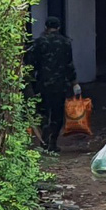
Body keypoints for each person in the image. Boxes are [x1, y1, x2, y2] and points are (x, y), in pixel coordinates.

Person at [24, 17, 77, 151]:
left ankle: (44, 139)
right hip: (60, 84)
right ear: (59, 27)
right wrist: (74, 82)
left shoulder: (39, 43)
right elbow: (69, 65)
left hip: (43, 83)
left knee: (43, 112)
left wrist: (29, 81)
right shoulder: (65, 42)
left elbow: (30, 63)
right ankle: (53, 142)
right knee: (57, 113)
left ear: (46, 27)